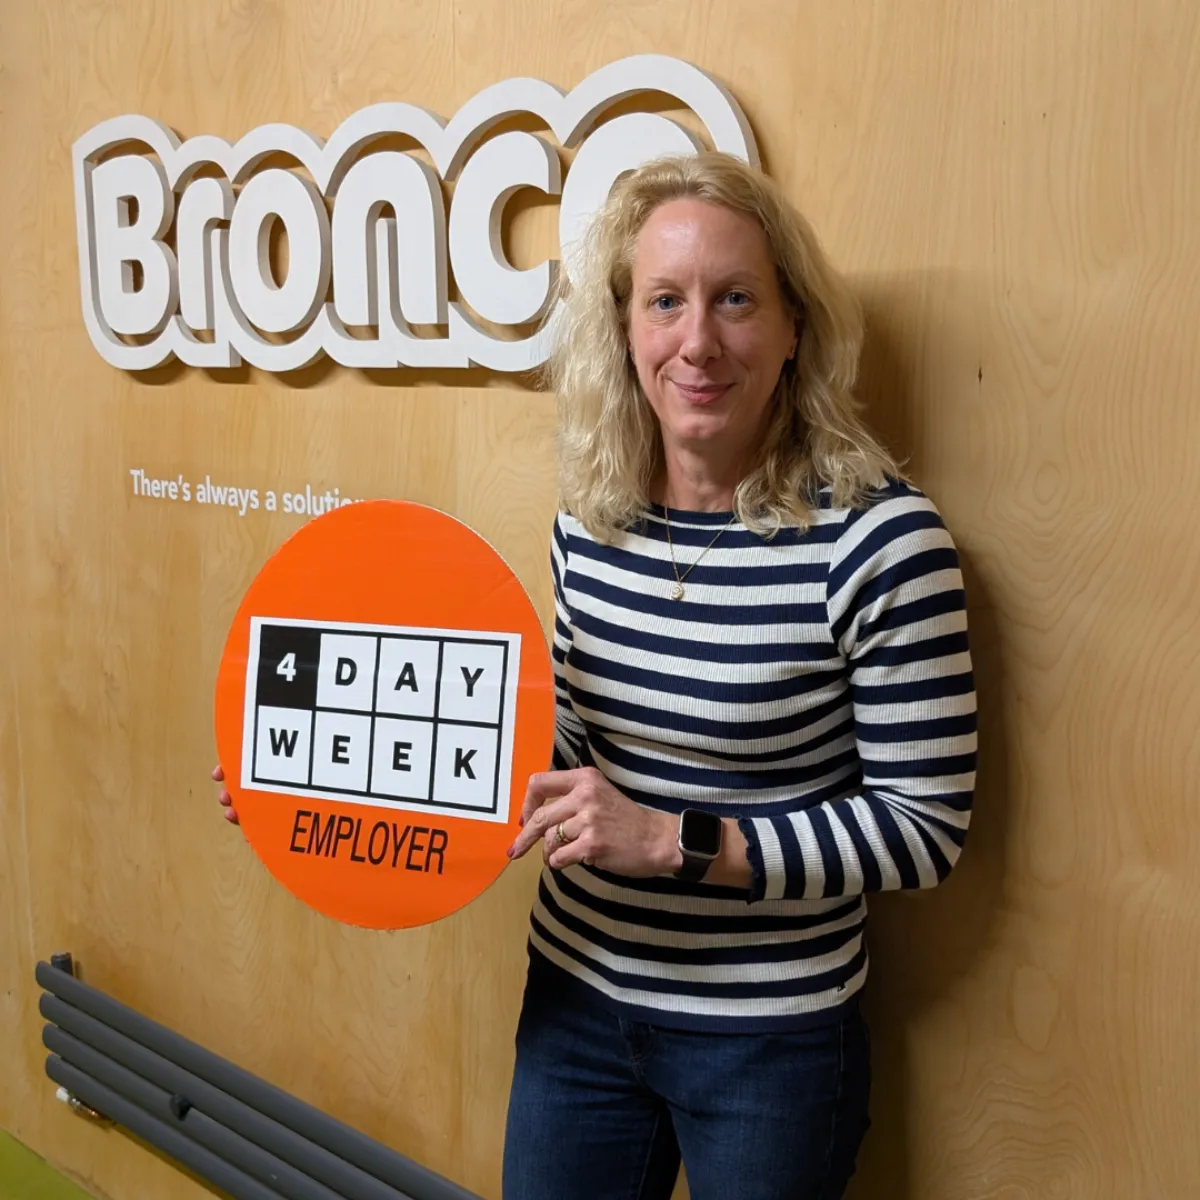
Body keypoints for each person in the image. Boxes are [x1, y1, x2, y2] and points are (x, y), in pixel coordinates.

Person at [216, 151, 976, 1200]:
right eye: (664, 301)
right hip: (576, 998)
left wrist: (674, 841)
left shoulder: (882, 543)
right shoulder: (593, 515)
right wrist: (321, 772)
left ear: (794, 327)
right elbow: (570, 738)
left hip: (768, 1038)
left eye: (736, 299)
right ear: (624, 329)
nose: (697, 341)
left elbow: (923, 828)